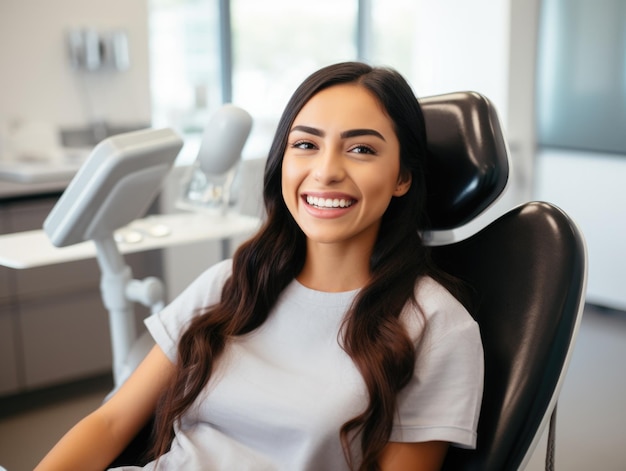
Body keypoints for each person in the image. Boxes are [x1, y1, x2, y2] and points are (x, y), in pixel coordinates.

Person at [35, 61, 484, 471]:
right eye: (305, 144)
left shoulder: (436, 326)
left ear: (403, 176)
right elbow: (111, 424)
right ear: (282, 162)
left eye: (361, 149)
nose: (325, 171)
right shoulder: (232, 283)